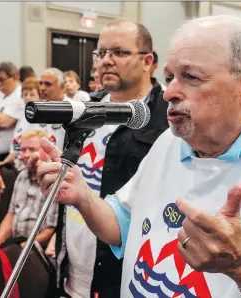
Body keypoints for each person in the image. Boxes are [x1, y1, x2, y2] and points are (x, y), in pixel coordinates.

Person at [33, 15, 241, 298]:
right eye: (169, 78)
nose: (169, 92)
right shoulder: (170, 143)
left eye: (191, 77)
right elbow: (122, 225)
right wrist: (83, 196)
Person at [53, 20, 168, 298]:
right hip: (72, 269)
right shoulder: (84, 109)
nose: (106, 61)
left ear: (147, 61)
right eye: (100, 53)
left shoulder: (166, 118)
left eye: (118, 52)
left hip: (120, 273)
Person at [0, 129, 58, 249]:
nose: (27, 154)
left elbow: (51, 230)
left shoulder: (55, 180)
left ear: (46, 151)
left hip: (40, 251)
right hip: (17, 244)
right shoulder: (21, 176)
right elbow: (11, 215)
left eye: (32, 149)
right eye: (23, 150)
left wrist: (23, 249)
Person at [0, 77, 66, 172]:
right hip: (19, 167)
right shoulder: (22, 117)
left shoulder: (50, 118)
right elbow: (14, 152)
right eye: (25, 94)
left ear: (41, 97)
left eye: (32, 94)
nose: (28, 97)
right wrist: (2, 164)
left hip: (43, 167)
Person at [0, 62, 24, 162]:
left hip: (7, 157)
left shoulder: (21, 96)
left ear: (15, 77)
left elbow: (4, 122)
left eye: (1, 79)